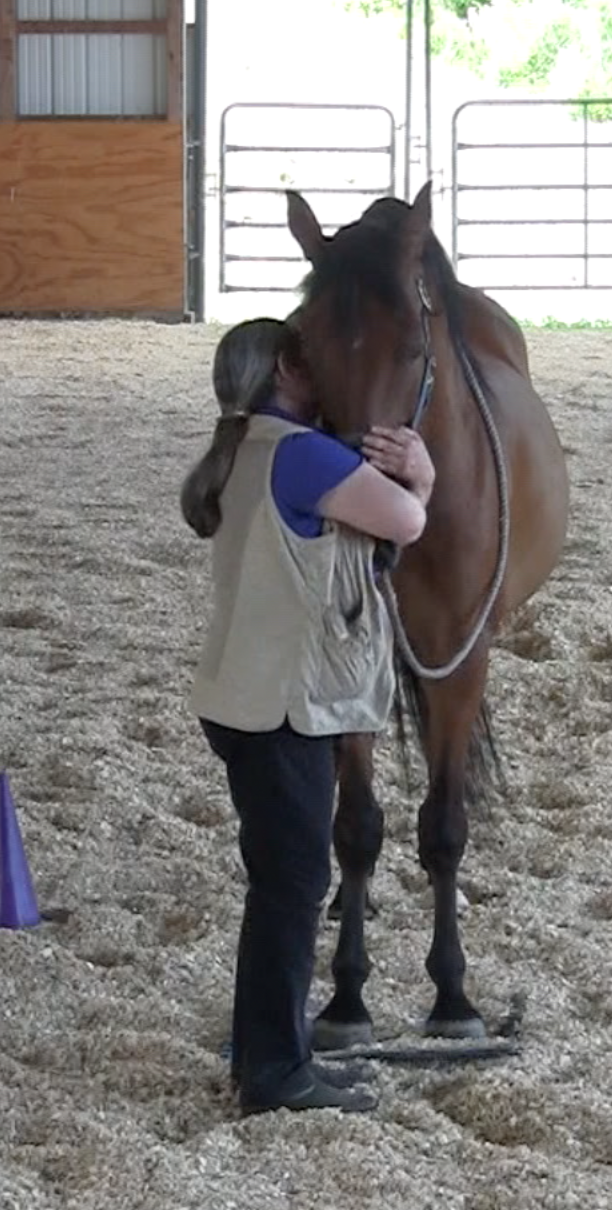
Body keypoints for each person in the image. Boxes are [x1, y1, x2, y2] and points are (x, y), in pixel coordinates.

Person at [179, 317, 436, 1115]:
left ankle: (268, 1053)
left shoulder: (243, 452)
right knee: (293, 888)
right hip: (284, 705)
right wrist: (421, 473)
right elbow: (407, 523)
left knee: (279, 884)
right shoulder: (304, 455)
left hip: (240, 693)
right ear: (289, 371)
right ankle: (277, 1075)